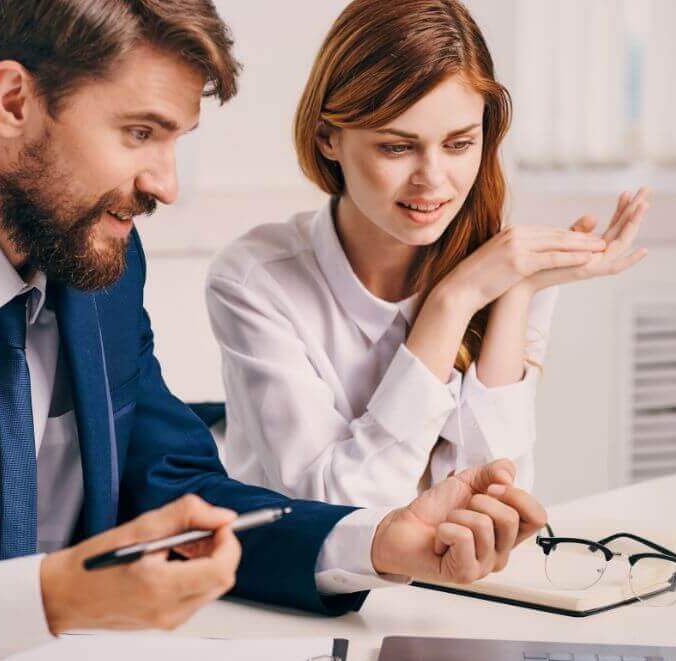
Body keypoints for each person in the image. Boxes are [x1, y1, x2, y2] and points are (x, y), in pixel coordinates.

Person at [0, 1, 547, 661]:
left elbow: (179, 490)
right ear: (13, 100)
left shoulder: (95, 256)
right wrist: (52, 597)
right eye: (140, 132)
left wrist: (376, 542)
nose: (165, 183)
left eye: (176, 139)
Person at [207, 0, 650, 507]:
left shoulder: (506, 267)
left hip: (445, 586)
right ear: (329, 137)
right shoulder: (254, 280)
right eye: (397, 147)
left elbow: (493, 499)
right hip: (296, 585)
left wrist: (518, 291)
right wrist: (453, 301)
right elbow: (336, 512)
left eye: (459, 144)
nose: (433, 181)